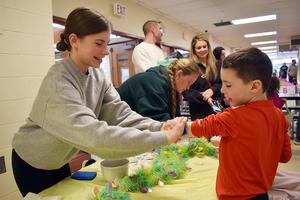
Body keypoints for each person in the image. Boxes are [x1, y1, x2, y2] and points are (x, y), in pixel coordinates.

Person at [11, 7, 186, 197]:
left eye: (107, 44)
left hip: (59, 159)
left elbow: (121, 115)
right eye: (99, 43)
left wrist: (160, 127)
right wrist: (162, 138)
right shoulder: (58, 82)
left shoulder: (97, 75)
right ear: (74, 40)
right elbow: (95, 136)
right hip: (32, 161)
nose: (105, 51)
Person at [185, 47, 292, 199]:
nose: (222, 90)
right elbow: (285, 156)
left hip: (233, 194)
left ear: (255, 86)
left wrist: (174, 126)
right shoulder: (278, 116)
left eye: (228, 85)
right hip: (262, 192)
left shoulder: (233, 117)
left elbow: (196, 128)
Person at [118, 59, 199, 121]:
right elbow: (156, 120)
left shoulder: (171, 86)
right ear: (179, 74)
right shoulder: (154, 83)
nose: (188, 88)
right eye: (188, 82)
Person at [183, 34, 222, 120]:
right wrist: (204, 96)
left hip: (216, 105)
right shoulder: (189, 67)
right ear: (194, 50)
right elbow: (185, 90)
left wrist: (212, 90)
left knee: (218, 130)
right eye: (199, 48)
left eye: (204, 46)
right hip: (198, 110)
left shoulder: (217, 64)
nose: (202, 50)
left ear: (208, 47)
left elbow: (221, 83)